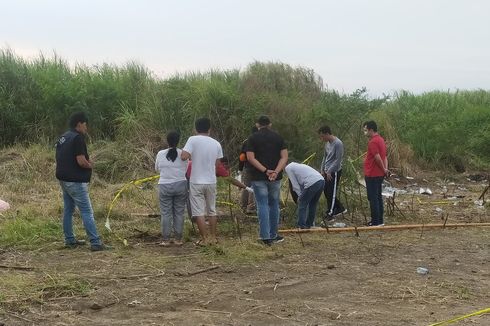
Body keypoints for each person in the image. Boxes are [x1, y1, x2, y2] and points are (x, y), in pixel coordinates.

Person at [55, 111, 109, 251]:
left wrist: (86, 161)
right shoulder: (78, 138)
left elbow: (65, 157)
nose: (86, 127)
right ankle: (95, 242)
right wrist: (90, 165)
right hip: (75, 181)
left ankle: (69, 240)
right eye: (85, 124)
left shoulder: (64, 137)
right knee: (86, 211)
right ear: (79, 123)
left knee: (68, 209)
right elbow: (81, 161)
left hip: (63, 179)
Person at [246, 116, 288, 245]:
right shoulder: (278, 138)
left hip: (258, 177)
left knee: (262, 204)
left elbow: (250, 158)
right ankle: (274, 234)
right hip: (275, 177)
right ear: (270, 124)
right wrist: (275, 171)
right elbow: (284, 157)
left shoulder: (252, 138)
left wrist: (265, 170)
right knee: (274, 204)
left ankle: (265, 236)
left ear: (257, 124)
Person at [181, 118, 224, 245]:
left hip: (196, 181)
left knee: (198, 211)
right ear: (209, 129)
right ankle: (214, 237)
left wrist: (191, 156)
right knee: (212, 210)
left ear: (195, 128)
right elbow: (218, 163)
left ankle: (205, 239)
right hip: (211, 181)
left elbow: (184, 156)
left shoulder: (192, 139)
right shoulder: (216, 143)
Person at [155, 131, 188, 247]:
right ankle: (178, 239)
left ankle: (165, 239)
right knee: (179, 212)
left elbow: (157, 169)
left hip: (165, 185)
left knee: (166, 213)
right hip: (181, 185)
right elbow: (186, 168)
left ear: (167, 141)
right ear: (178, 141)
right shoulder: (184, 154)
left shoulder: (160, 154)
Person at [363, 120, 389, 226]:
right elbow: (385, 157)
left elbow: (378, 158)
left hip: (372, 174)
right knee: (378, 197)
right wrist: (385, 170)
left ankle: (375, 222)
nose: (364, 132)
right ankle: (379, 221)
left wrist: (383, 169)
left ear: (371, 130)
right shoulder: (381, 140)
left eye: (365, 130)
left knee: (373, 198)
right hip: (379, 174)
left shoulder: (373, 142)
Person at [318, 125, 347, 222]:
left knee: (331, 192)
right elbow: (325, 157)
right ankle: (340, 208)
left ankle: (330, 213)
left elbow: (338, 160)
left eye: (322, 136)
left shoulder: (338, 143)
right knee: (326, 191)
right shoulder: (327, 144)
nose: (322, 138)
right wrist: (322, 170)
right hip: (327, 171)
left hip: (334, 171)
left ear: (327, 133)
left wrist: (330, 170)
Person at [285, 162, 325, 229]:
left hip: (312, 182)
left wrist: (300, 196)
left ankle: (301, 225)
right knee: (313, 204)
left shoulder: (288, 168)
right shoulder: (296, 166)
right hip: (321, 180)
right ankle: (310, 224)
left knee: (302, 203)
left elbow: (294, 185)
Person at [238, 126, 258, 214]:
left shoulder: (246, 142)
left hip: (247, 167)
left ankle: (243, 206)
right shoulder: (260, 141)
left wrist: (240, 169)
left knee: (246, 186)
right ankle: (251, 207)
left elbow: (241, 157)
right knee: (254, 186)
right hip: (257, 168)